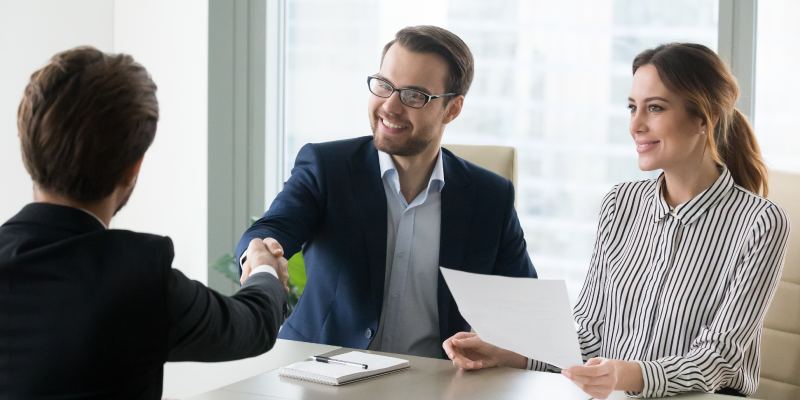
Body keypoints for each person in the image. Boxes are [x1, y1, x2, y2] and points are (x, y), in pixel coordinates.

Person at [443, 42, 791, 399]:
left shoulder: (760, 222)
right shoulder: (619, 203)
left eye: (654, 108)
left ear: (706, 117)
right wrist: (511, 352)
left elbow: (720, 358)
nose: (636, 125)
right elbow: (592, 334)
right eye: (632, 108)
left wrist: (630, 375)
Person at [0, 47, 291, 399]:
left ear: (26, 143)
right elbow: (252, 325)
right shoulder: (138, 280)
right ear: (133, 168)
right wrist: (264, 267)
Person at [236, 25, 537, 359]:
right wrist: (260, 254)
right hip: (320, 373)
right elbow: (272, 230)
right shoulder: (327, 167)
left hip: (433, 384)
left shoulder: (490, 197)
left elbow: (526, 312)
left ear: (452, 109)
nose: (389, 107)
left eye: (413, 95)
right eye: (383, 86)